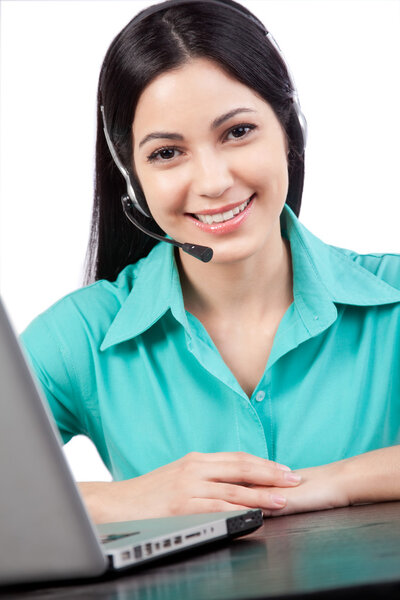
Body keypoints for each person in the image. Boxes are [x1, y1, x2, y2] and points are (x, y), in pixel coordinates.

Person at [21, 0, 400, 524]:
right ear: (132, 176)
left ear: (288, 132)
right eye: (166, 153)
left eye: (238, 132)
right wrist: (126, 500)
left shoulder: (394, 296)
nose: (214, 181)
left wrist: (332, 483)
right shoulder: (82, 335)